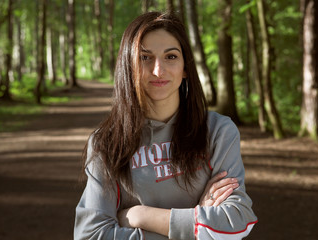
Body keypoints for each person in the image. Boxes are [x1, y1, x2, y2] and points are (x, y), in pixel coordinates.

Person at [74, 11, 257, 240]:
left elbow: (238, 220)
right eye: (145, 57)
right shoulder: (107, 143)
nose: (158, 70)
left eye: (170, 57)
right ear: (128, 67)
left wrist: (141, 216)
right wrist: (196, 223)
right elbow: (90, 235)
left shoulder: (218, 132)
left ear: (186, 68)